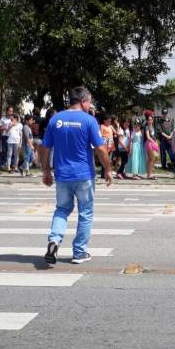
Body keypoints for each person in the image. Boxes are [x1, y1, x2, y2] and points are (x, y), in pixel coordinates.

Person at [41, 87, 112, 265]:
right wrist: (108, 169)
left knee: (62, 209)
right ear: (82, 101)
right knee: (85, 212)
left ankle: (54, 241)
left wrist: (46, 171)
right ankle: (79, 252)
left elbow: (45, 147)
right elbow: (101, 148)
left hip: (62, 175)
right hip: (84, 175)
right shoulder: (89, 121)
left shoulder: (55, 119)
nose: (90, 106)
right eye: (89, 102)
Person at [144, 114, 159, 180]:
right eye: (149, 120)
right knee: (151, 159)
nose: (150, 121)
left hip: (153, 143)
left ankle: (149, 174)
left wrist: (156, 142)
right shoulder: (147, 127)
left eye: (151, 120)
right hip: (149, 143)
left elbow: (154, 136)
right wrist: (154, 142)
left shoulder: (152, 127)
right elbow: (148, 137)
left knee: (152, 159)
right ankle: (149, 175)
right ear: (147, 121)